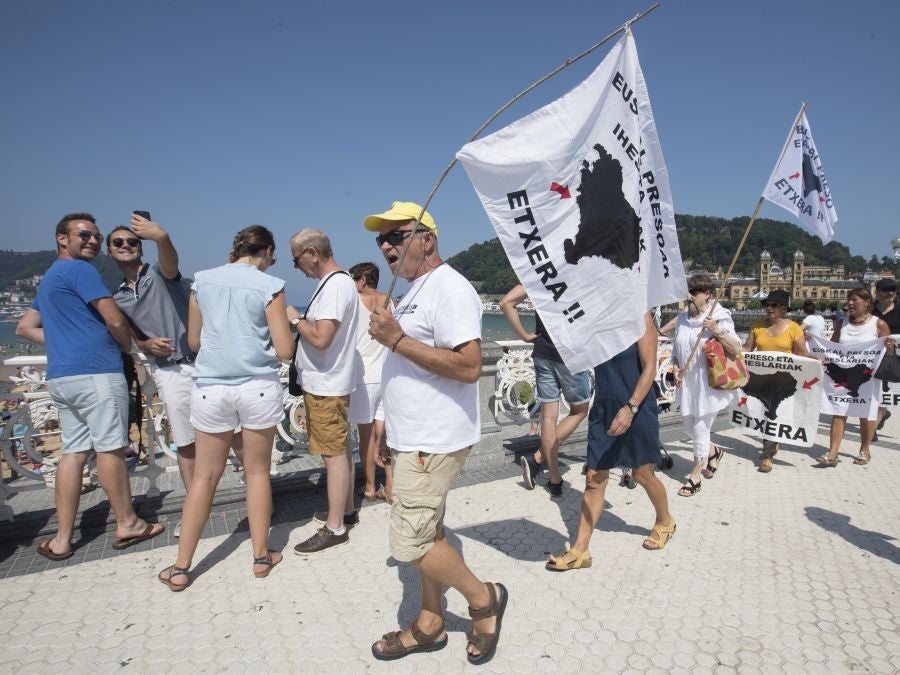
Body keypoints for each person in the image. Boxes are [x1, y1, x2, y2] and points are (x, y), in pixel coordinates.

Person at [366, 201, 506, 665]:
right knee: (431, 531)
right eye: (381, 238)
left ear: (427, 238)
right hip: (413, 435)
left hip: (434, 439)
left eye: (397, 234)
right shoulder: (413, 291)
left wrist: (397, 339)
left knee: (411, 543)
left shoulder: (448, 288)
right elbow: (404, 366)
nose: (386, 244)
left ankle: (484, 600)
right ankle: (429, 622)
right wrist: (387, 426)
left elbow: (468, 367)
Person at [17, 213, 164, 560]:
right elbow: (114, 318)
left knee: (73, 452)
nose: (93, 241)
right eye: (84, 235)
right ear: (62, 239)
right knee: (110, 448)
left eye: (96, 236)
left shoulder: (51, 278)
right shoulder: (80, 271)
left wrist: (65, 342)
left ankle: (62, 539)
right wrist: (122, 344)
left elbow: (25, 327)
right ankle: (128, 522)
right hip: (97, 374)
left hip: (62, 377)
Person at [157, 225, 293, 590]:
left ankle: (182, 567)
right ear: (265, 250)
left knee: (205, 476)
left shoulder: (201, 281)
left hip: (212, 388)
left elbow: (195, 341)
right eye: (272, 257)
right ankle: (262, 557)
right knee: (258, 473)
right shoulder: (270, 286)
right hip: (258, 388)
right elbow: (284, 350)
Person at [547, 312, 676, 572]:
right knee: (594, 478)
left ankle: (665, 521)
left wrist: (630, 408)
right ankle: (580, 550)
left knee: (642, 474)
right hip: (604, 408)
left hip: (637, 407)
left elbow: (650, 367)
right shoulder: (598, 320)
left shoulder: (640, 317)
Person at [108, 215, 200, 536]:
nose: (126, 246)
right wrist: (145, 343)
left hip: (202, 365)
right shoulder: (117, 297)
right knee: (186, 443)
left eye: (132, 241)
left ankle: (257, 496)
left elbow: (172, 261)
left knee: (231, 432)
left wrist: (161, 237)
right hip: (169, 371)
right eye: (118, 243)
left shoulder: (160, 274)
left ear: (141, 247)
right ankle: (193, 511)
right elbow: (132, 334)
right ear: (110, 252)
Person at [288, 229, 360, 553]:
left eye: (296, 259)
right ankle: (343, 510)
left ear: (313, 253)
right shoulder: (337, 284)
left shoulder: (335, 286)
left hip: (327, 383)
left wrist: (294, 319)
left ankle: (335, 527)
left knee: (333, 457)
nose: (296, 266)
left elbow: (320, 339)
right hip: (330, 381)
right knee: (339, 450)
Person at [499, 284, 590, 497]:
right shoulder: (580, 272)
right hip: (572, 354)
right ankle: (538, 459)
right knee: (580, 410)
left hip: (542, 352)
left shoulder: (538, 271)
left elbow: (506, 303)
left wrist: (523, 335)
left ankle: (554, 478)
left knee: (548, 417)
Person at [670, 275, 741, 496]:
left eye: (694, 291)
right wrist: (674, 368)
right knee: (688, 427)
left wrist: (716, 330)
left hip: (707, 382)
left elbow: (736, 348)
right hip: (687, 382)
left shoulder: (718, 315)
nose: (690, 295)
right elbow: (676, 349)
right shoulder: (682, 318)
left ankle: (695, 476)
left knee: (700, 428)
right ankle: (713, 451)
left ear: (707, 294)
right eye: (688, 291)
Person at [818, 288, 891, 467]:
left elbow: (889, 352)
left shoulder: (878, 324)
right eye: (849, 300)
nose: (849, 303)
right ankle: (832, 453)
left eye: (854, 300)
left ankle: (864, 450)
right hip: (843, 376)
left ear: (867, 303)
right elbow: (832, 348)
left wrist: (889, 346)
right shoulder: (840, 324)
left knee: (865, 414)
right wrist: (816, 350)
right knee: (839, 412)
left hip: (868, 377)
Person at [743, 289, 810, 473]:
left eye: (773, 305)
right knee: (763, 413)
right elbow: (747, 350)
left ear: (783, 308)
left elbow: (802, 353)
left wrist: (817, 360)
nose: (768, 308)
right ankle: (772, 443)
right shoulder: (758, 326)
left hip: (784, 380)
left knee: (773, 413)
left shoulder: (793, 328)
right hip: (761, 379)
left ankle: (767, 456)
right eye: (766, 305)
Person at [348, 261, 393, 503]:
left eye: (352, 278)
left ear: (362, 280)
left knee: (366, 439)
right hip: (387, 374)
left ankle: (368, 486)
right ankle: (390, 484)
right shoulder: (389, 300)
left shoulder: (354, 300)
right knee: (385, 434)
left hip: (364, 377)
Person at [872, 277, 900, 435]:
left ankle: (873, 428)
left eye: (893, 289)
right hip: (872, 357)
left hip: (893, 358)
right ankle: (879, 416)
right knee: (871, 390)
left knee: (884, 391)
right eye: (886, 289)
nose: (891, 292)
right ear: (877, 292)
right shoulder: (870, 311)